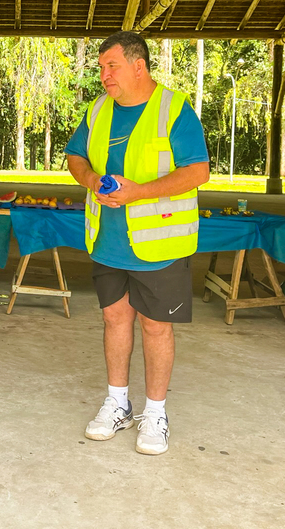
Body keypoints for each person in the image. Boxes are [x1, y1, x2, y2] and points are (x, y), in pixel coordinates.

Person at [65, 31, 209, 457]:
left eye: (111, 66)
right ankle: (117, 402)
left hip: (158, 244)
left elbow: (198, 172)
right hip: (108, 241)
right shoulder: (98, 110)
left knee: (155, 326)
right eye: (101, 67)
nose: (104, 75)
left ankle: (156, 412)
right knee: (114, 321)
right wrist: (91, 180)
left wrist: (138, 192)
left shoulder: (175, 109)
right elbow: (75, 157)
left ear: (138, 66)